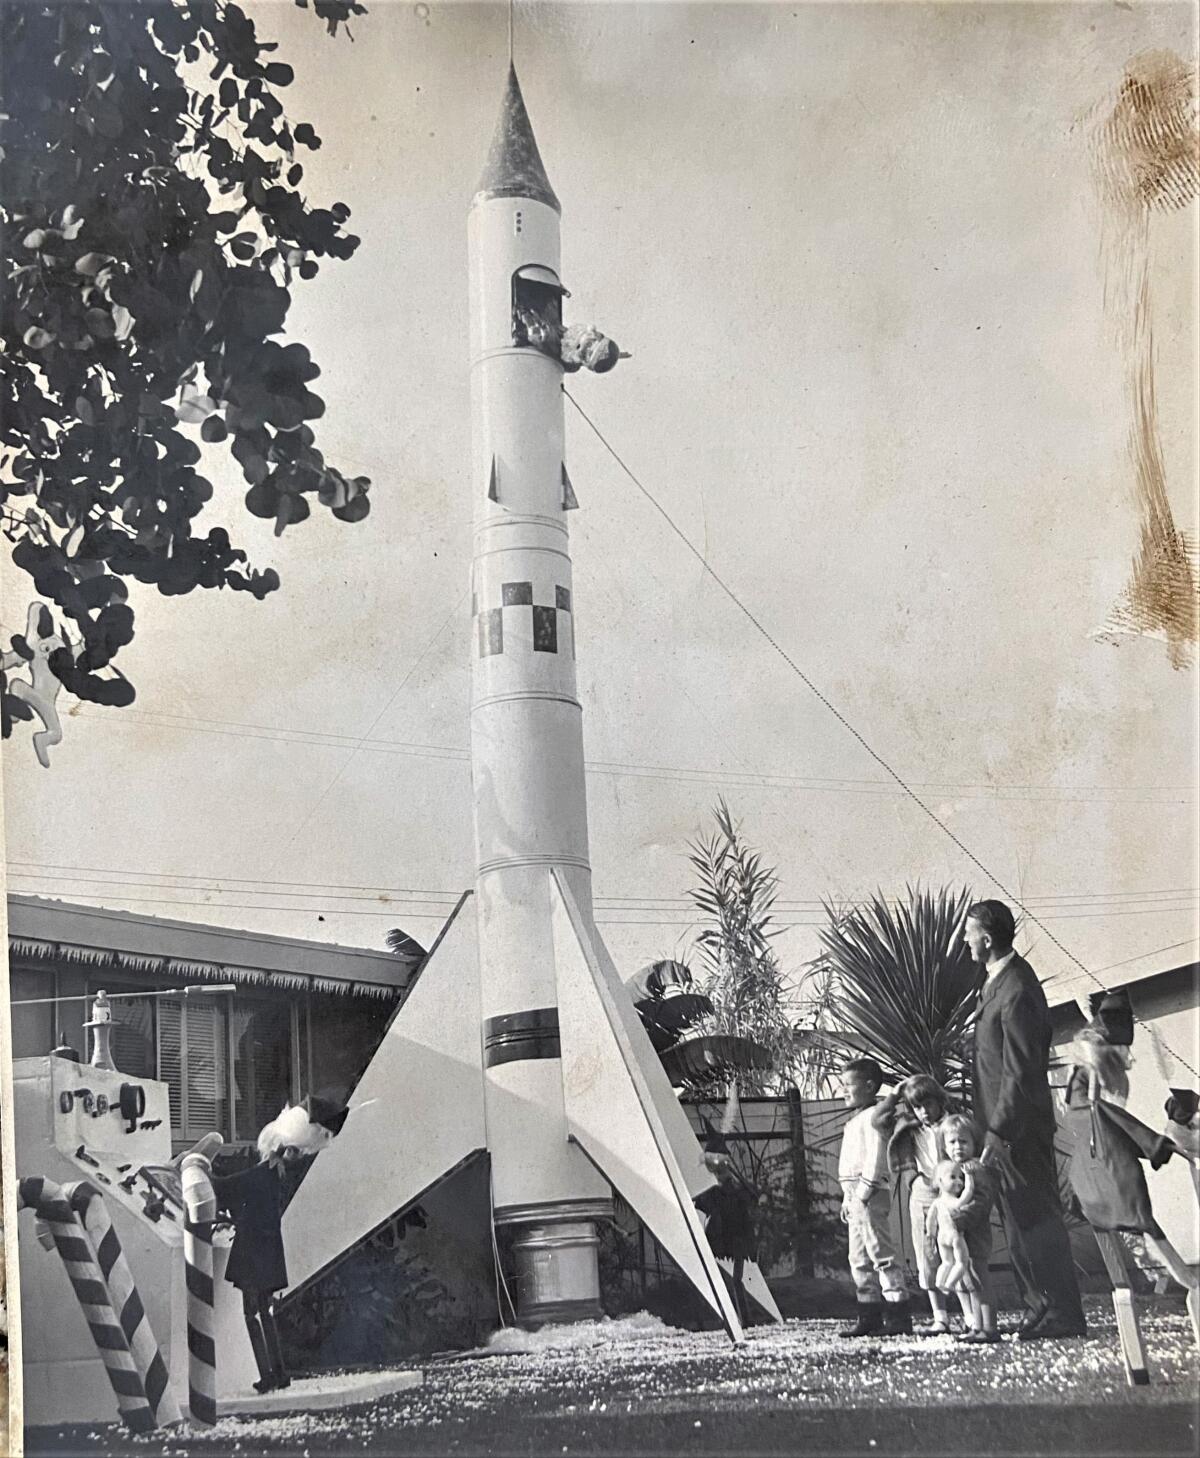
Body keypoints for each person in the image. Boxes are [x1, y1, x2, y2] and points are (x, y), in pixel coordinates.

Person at [965, 899, 1086, 1340]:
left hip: (1019, 1133)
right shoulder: (998, 985)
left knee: (1035, 1219)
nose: (965, 940)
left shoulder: (1015, 989)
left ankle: (1064, 1314)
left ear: (988, 938)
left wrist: (998, 1132)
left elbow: (1019, 1071)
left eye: (969, 933)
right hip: (1005, 1130)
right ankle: (1041, 1306)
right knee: (1018, 1223)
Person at [211, 1096, 347, 1393]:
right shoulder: (279, 1176)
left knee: (252, 1313)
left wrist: (195, 1170)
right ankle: (278, 1372)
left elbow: (225, 1188)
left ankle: (269, 1374)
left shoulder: (263, 1174)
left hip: (252, 1253)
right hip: (268, 1253)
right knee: (264, 1312)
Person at [837, 1058, 912, 1336]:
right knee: (858, 1257)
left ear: (869, 1086)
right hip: (854, 1196)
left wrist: (864, 1193)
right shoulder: (855, 1119)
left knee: (881, 1254)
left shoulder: (874, 1117)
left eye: (848, 1085)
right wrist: (848, 1199)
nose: (843, 1090)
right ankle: (868, 1315)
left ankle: (898, 1316)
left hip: (868, 1193)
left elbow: (876, 1158)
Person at [873, 1074, 953, 1334]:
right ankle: (940, 1318)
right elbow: (877, 1120)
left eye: (928, 1104)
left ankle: (974, 1315)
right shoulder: (909, 1126)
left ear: (940, 1101)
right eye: (917, 1107)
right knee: (927, 1255)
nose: (924, 1112)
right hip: (922, 1192)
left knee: (960, 1252)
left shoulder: (953, 1124)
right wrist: (895, 1094)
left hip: (952, 1191)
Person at [939, 1114, 1001, 1342]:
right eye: (952, 1142)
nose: (958, 1147)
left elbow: (981, 1202)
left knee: (979, 1280)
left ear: (974, 1143)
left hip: (975, 1234)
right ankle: (977, 1325)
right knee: (968, 1281)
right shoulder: (953, 1170)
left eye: (963, 1142)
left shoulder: (975, 1169)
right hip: (960, 1237)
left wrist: (958, 1219)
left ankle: (990, 1327)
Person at [694, 1121, 760, 1326]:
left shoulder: (727, 1191)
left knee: (734, 1280)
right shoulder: (720, 1191)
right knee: (731, 1280)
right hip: (726, 1235)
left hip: (732, 1235)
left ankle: (740, 1320)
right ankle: (735, 1319)